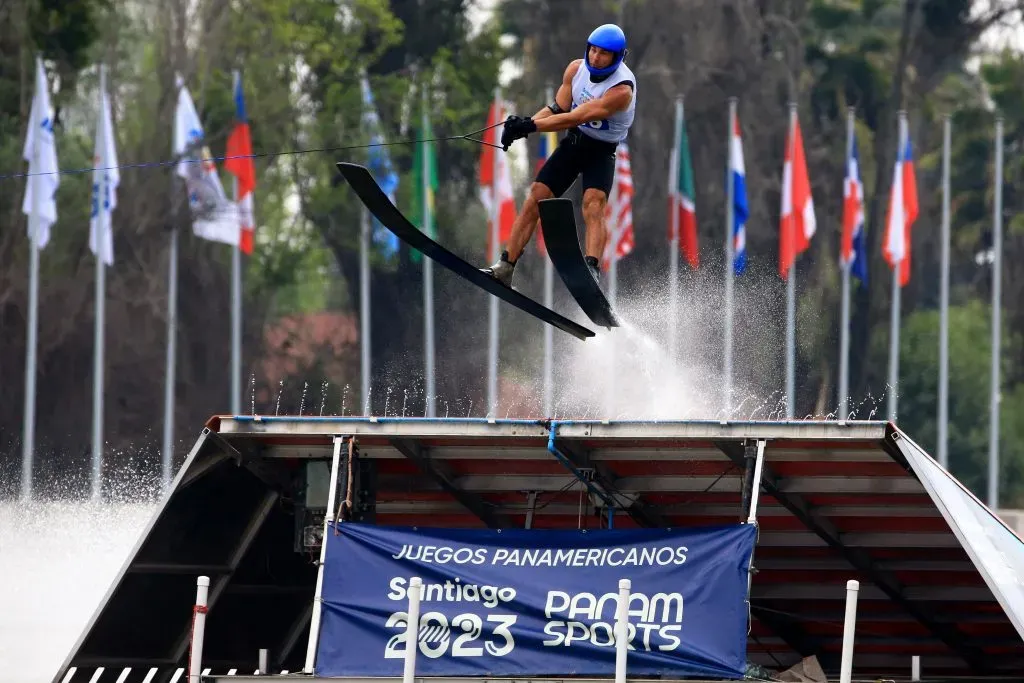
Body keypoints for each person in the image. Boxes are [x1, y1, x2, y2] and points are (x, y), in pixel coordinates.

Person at [480, 23, 636, 289]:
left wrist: (530, 126)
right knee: (536, 198)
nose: (595, 58)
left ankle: (592, 271)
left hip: (601, 151)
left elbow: (577, 116)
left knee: (593, 204)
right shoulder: (576, 69)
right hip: (575, 143)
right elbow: (557, 108)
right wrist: (521, 127)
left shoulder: (621, 91)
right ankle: (506, 266)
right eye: (593, 51)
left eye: (603, 54)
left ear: (617, 57)